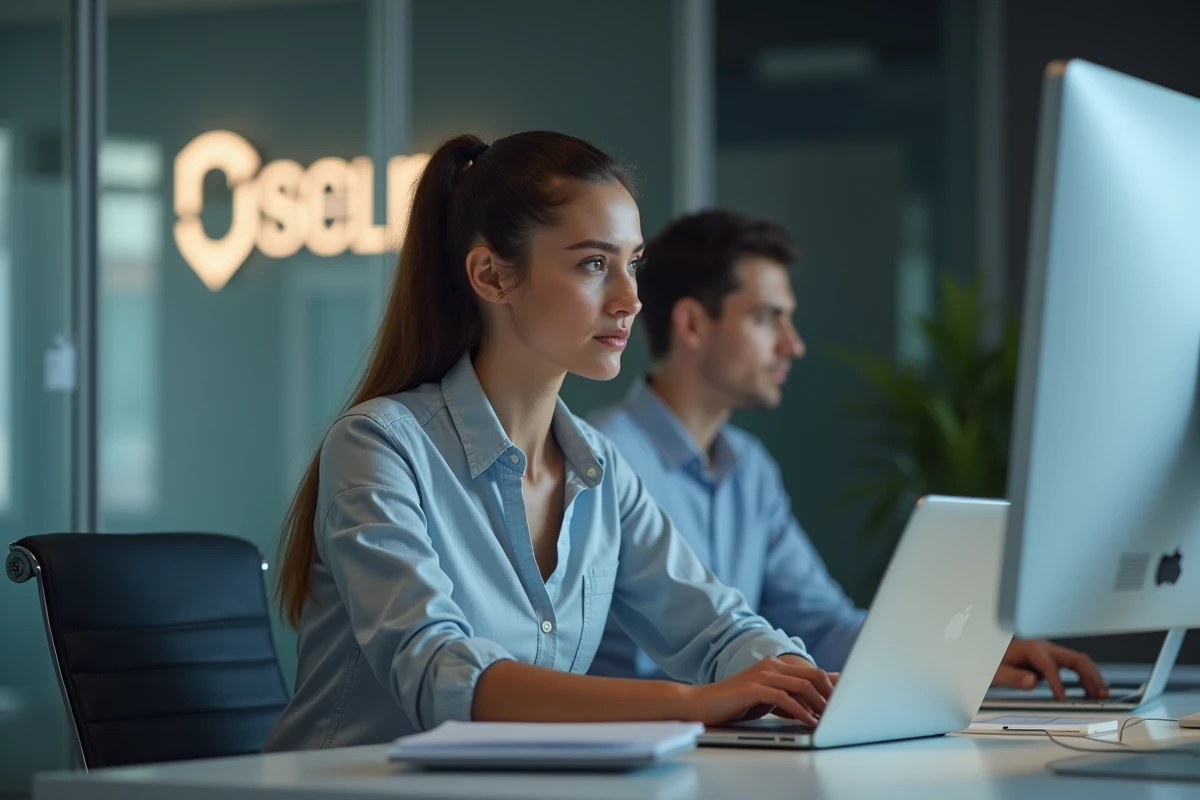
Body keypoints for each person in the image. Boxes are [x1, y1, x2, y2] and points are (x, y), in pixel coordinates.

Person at [263, 133, 838, 752]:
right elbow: (440, 674)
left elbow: (718, 630)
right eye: (594, 264)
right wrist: (689, 703)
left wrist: (810, 687)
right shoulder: (379, 446)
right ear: (492, 276)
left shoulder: (599, 468)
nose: (630, 298)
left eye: (632, 263)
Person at [586, 210, 1108, 701]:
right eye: (769, 319)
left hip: (732, 740)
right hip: (636, 748)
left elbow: (822, 625)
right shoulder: (600, 458)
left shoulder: (750, 467)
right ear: (693, 325)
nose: (793, 345)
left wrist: (966, 652)